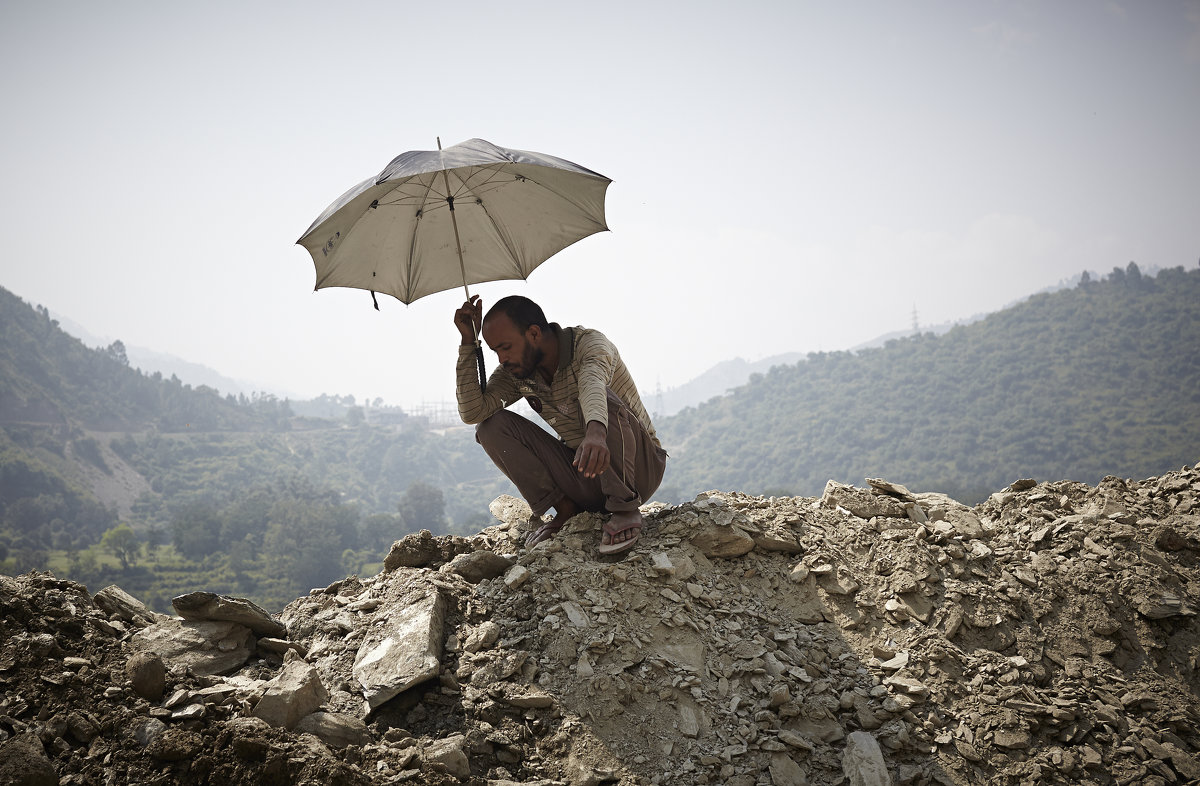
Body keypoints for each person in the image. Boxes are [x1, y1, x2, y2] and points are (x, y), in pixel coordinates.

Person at [454, 294, 667, 554]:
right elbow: (472, 411)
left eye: (506, 347)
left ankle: (624, 508)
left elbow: (592, 385)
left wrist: (596, 432)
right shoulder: (518, 371)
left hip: (638, 469)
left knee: (604, 397)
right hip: (586, 474)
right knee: (490, 427)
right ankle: (566, 510)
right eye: (495, 350)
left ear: (533, 333)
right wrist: (468, 342)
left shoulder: (590, 345)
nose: (501, 359)